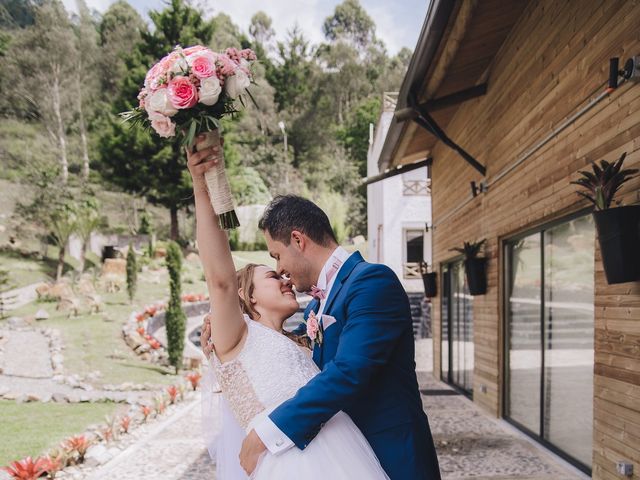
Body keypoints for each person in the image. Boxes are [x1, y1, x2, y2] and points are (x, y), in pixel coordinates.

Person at [188, 132, 390, 479]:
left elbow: (344, 373)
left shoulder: (301, 334)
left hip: (342, 456)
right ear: (247, 297)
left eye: (279, 261)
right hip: (290, 464)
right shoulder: (236, 335)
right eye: (271, 274)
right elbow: (220, 280)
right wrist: (203, 187)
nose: (283, 274)